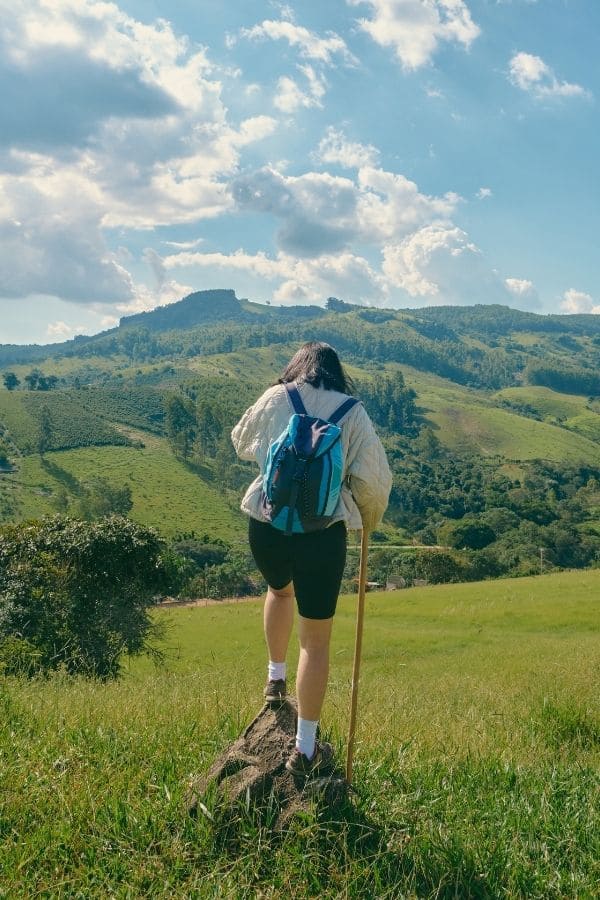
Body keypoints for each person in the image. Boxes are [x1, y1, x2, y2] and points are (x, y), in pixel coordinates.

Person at [231, 341, 392, 776]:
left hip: (266, 525)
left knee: (278, 593)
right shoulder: (352, 411)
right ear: (338, 373)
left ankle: (274, 679)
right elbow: (373, 485)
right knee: (316, 640)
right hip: (323, 534)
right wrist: (364, 520)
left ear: (296, 366)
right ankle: (304, 748)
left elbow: (241, 442)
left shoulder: (275, 397)